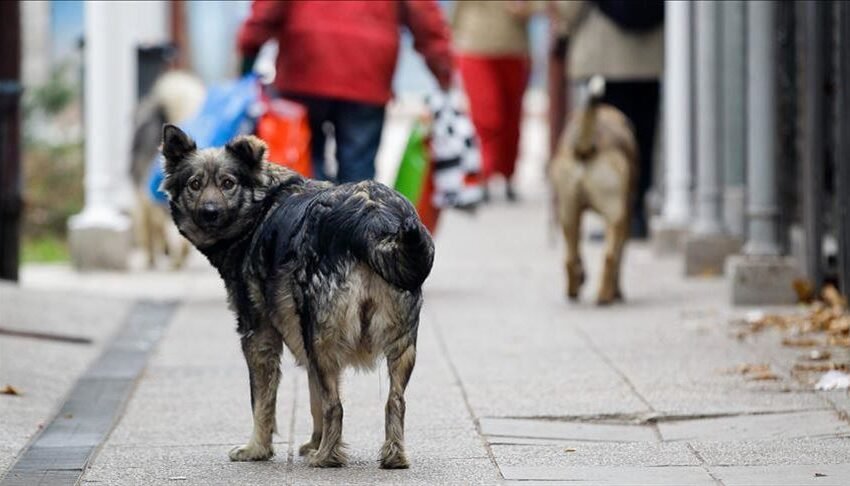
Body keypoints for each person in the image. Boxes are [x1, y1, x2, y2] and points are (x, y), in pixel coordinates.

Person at [237, 0, 454, 183]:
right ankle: (353, 228)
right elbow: (424, 15)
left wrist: (248, 51)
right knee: (357, 173)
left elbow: (267, 9)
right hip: (367, 75)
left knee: (301, 163)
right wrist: (443, 71)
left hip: (305, 68)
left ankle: (307, 223)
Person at [554, 0, 664, 238]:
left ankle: (616, 216)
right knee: (641, 141)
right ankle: (637, 213)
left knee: (607, 144)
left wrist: (563, 23)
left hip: (604, 55)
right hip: (649, 56)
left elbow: (569, 9)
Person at [452, 0, 536, 202]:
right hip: (474, 44)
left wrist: (530, 8)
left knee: (511, 116)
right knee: (486, 114)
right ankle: (484, 174)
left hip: (514, 46)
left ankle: (507, 173)